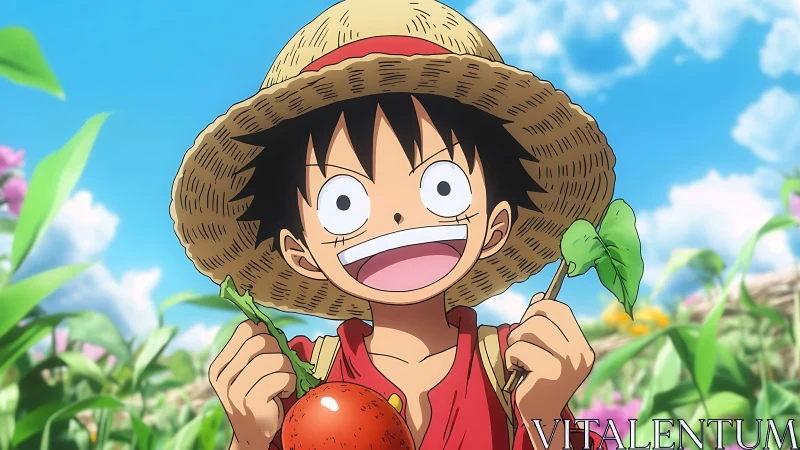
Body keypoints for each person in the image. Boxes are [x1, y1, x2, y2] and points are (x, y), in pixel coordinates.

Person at [170, 1, 616, 449]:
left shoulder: (516, 365)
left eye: (442, 187)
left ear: (496, 226)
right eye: (344, 202)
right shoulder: (297, 379)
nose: (398, 217)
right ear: (300, 252)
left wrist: (543, 418)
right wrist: (251, 438)